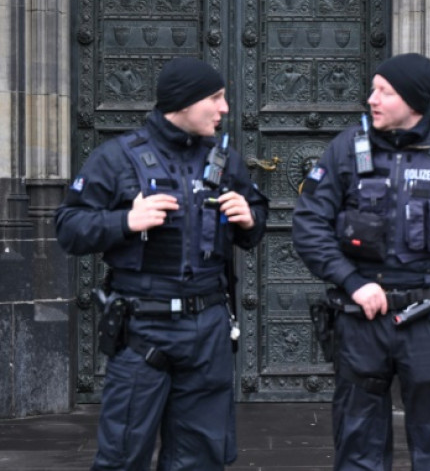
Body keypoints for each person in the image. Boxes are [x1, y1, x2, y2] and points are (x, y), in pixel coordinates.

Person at [55, 56, 269, 470]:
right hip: (142, 330)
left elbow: (253, 228)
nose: (225, 108)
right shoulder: (117, 157)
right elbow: (69, 226)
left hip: (208, 329)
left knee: (202, 458)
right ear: (184, 102)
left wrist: (249, 216)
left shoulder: (225, 161)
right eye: (216, 97)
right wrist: (125, 220)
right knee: (122, 456)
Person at [291, 53, 430, 470]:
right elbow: (309, 223)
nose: (372, 99)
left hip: (428, 316)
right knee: (357, 441)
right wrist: (351, 281)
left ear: (413, 100)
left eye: (384, 91)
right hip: (361, 315)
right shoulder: (347, 149)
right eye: (373, 89)